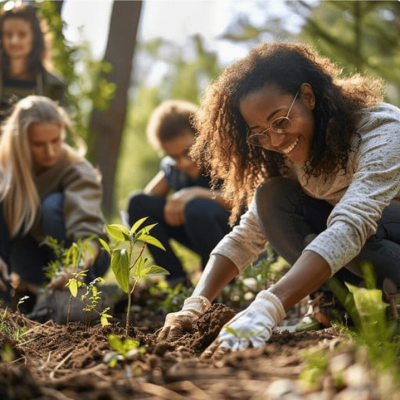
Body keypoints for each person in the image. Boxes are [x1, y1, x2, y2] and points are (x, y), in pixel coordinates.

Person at [158, 41, 400, 356]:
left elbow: (353, 224)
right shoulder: (285, 157)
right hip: (357, 248)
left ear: (308, 97)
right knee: (270, 198)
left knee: (353, 231)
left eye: (280, 121)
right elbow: (248, 234)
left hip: (377, 235)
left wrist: (269, 306)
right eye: (259, 132)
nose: (274, 140)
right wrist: (195, 305)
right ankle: (331, 307)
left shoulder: (381, 130)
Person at [0, 95, 109, 311]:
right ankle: (15, 299)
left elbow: (88, 233)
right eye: (39, 144)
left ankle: (80, 295)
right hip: (33, 260)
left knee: (52, 205)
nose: (50, 152)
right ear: (20, 142)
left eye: (56, 141)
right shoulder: (6, 168)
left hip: (84, 260)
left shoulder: (76, 169)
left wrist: (76, 266)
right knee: (6, 200)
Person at [127, 99, 233, 287]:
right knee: (138, 203)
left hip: (228, 235)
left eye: (189, 152)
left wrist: (194, 192)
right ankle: (176, 279)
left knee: (195, 206)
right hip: (194, 232)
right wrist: (171, 172)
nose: (183, 161)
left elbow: (243, 201)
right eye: (174, 156)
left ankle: (218, 279)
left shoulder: (222, 155)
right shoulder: (175, 168)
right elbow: (146, 200)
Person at [0, 3, 65, 122]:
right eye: (8, 34)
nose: (14, 41)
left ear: (34, 38)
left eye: (22, 34)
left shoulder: (53, 86)